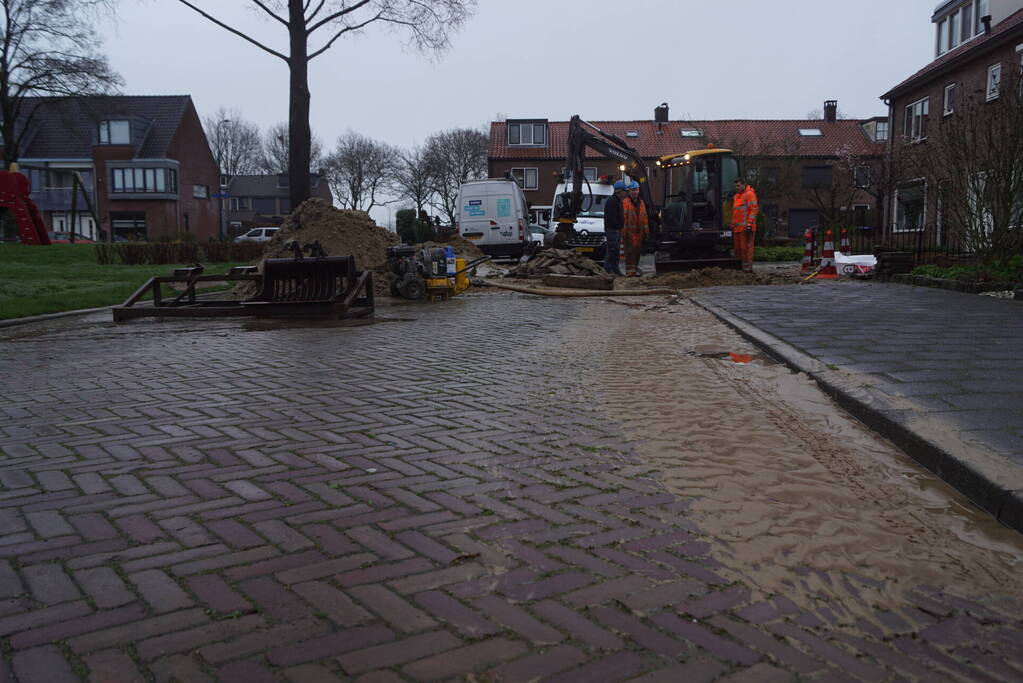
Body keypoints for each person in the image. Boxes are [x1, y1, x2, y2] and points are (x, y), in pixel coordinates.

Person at [621, 181, 649, 277]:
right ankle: (630, 272)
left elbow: (644, 217)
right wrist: (624, 232)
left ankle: (635, 270)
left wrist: (646, 231)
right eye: (633, 190)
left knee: (637, 252)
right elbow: (623, 218)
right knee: (629, 253)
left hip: (639, 232)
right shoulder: (625, 202)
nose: (635, 192)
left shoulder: (641, 203)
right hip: (629, 232)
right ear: (629, 191)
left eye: (636, 190)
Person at [731, 178, 759, 272]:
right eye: (735, 186)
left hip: (746, 228)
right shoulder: (736, 196)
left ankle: (747, 267)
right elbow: (736, 212)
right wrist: (733, 224)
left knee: (746, 248)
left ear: (744, 185)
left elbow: (754, 209)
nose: (737, 188)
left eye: (738, 186)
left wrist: (749, 224)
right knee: (738, 249)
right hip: (738, 228)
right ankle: (742, 267)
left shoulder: (749, 194)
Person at [602, 180, 628, 276]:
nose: (625, 193)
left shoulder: (617, 201)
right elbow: (611, 217)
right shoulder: (612, 201)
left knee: (615, 251)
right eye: (624, 191)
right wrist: (618, 226)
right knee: (611, 250)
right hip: (612, 230)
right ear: (619, 191)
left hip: (616, 230)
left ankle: (614, 268)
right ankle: (607, 270)